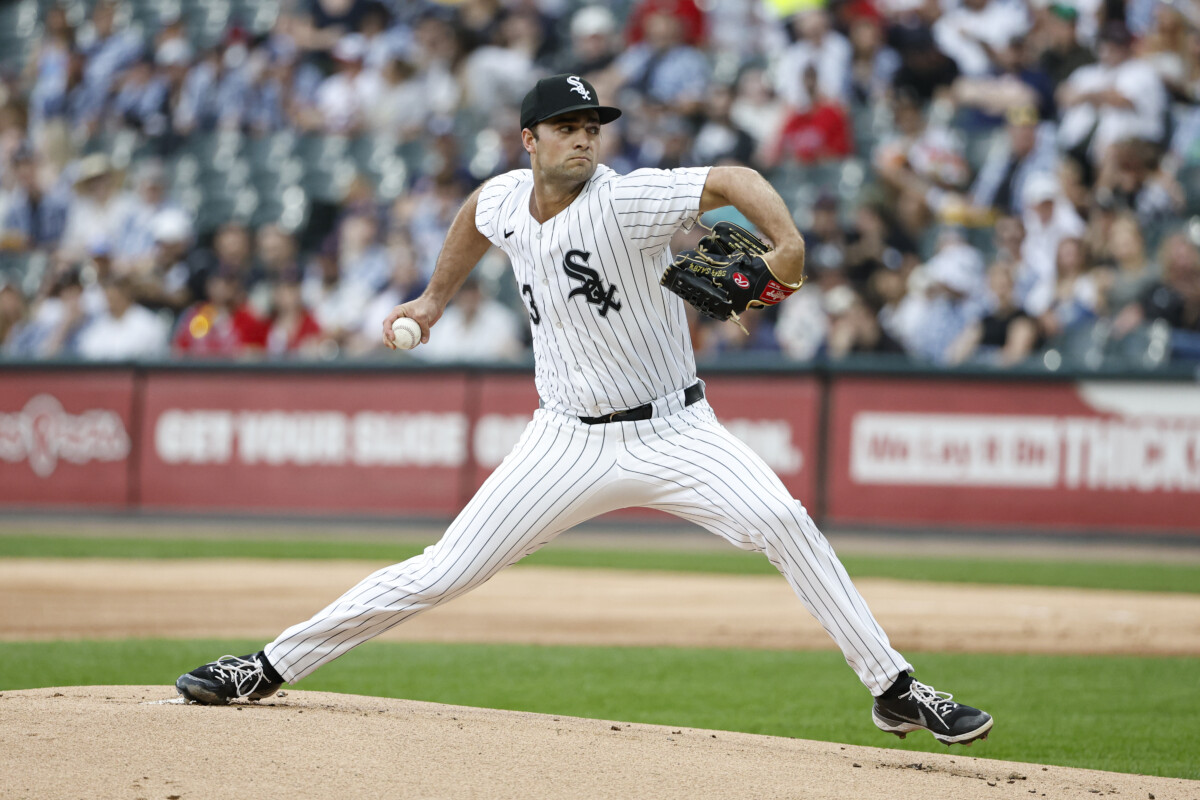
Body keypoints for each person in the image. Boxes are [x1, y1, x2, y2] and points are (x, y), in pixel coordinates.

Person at [175, 74, 993, 747]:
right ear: (528, 140)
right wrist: (430, 300)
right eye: (565, 125)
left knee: (783, 521)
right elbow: (472, 219)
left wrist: (786, 245)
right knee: (443, 570)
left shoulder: (627, 199)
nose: (584, 137)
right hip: (564, 441)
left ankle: (893, 687)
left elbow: (733, 180)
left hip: (676, 430)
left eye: (591, 125)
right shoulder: (503, 198)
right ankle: (269, 665)